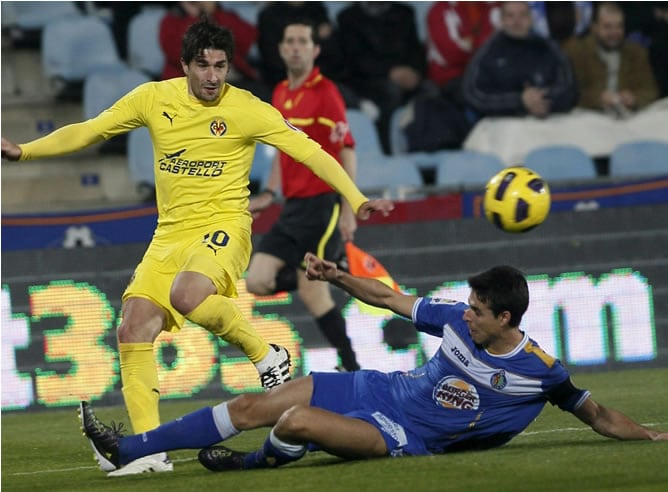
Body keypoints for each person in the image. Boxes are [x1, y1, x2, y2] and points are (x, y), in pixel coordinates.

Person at [1, 20, 393, 476]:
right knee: (133, 328)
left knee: (187, 295)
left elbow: (312, 152)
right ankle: (149, 452)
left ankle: (266, 353)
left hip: (224, 226)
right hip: (169, 235)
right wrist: (24, 151)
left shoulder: (247, 108)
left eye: (220, 66)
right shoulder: (153, 98)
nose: (212, 76)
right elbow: (91, 130)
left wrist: (356, 197)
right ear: (184, 65)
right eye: (203, 65)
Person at [80, 252, 668, 474]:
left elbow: (593, 412)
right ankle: (130, 448)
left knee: (294, 424)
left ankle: (256, 465)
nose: (467, 317)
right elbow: (390, 296)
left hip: (400, 434)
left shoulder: (540, 369)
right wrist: (339, 277)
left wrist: (643, 433)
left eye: (480, 312)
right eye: (468, 306)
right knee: (254, 403)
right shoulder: (454, 317)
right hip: (382, 389)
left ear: (508, 321)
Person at [245, 20, 360, 372]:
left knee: (312, 292)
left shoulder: (326, 93)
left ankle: (352, 367)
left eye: (303, 41)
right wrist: (268, 192)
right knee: (257, 281)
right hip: (293, 207)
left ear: (315, 49)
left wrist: (349, 207)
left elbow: (347, 151)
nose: (296, 47)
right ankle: (320, 270)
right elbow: (284, 152)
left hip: (322, 203)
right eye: (290, 41)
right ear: (281, 49)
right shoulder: (279, 93)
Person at [336, 2, 427, 154]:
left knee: (430, 91)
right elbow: (354, 60)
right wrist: (390, 72)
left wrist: (415, 73)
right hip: (367, 81)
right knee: (391, 93)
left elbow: (416, 50)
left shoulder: (404, 13)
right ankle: (387, 152)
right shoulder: (348, 18)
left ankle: (424, 150)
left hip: (406, 77)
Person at [462, 1, 577, 121]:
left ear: (531, 18)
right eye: (510, 16)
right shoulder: (488, 52)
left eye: (522, 15)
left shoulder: (549, 48)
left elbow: (569, 90)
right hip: (502, 124)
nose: (517, 21)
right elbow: (472, 94)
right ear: (501, 20)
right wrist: (519, 101)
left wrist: (539, 101)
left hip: (549, 119)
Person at [159, 1, 271, 102]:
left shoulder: (219, 15)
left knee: (262, 97)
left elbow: (248, 39)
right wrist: (194, 16)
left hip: (234, 80)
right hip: (191, 84)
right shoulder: (171, 21)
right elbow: (184, 54)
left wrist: (215, 12)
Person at [563, 2, 660, 117]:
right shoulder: (577, 52)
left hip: (630, 117)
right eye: (608, 27)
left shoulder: (636, 52)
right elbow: (571, 93)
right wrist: (599, 98)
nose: (614, 32)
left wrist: (634, 98)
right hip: (590, 116)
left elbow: (651, 90)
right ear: (594, 28)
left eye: (619, 26)